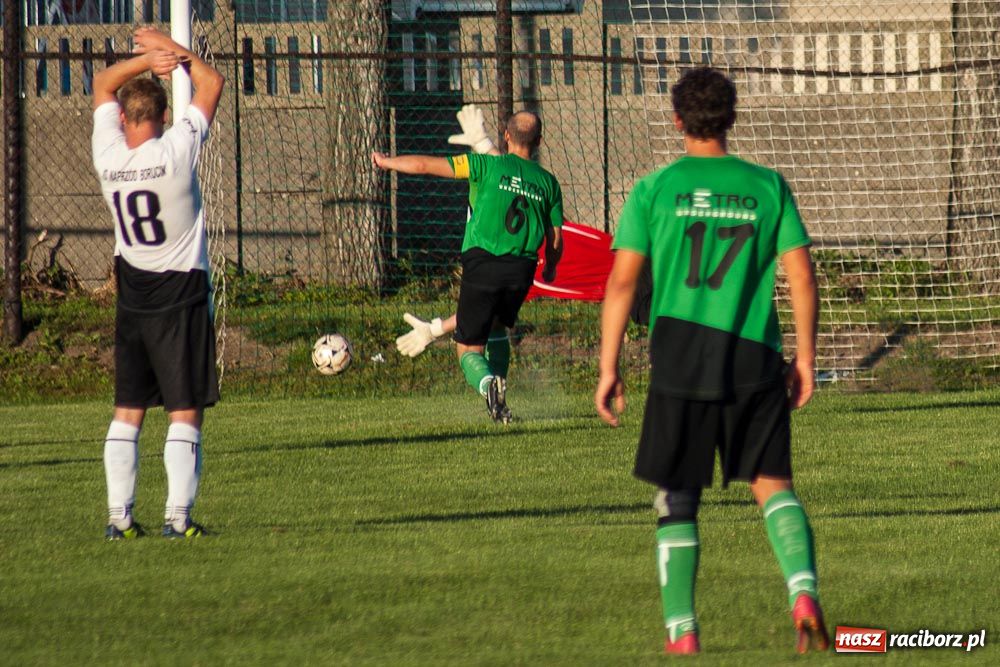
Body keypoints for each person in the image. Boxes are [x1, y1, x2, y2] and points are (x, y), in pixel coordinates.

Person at [595, 67, 828, 654]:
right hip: (753, 355)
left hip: (680, 358)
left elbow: (622, 284)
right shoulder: (768, 185)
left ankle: (683, 632)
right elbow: (800, 274)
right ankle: (802, 593)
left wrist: (609, 366)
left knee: (677, 496)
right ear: (731, 117)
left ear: (678, 120)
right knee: (773, 484)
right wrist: (805, 356)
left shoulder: (653, 189)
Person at [92, 27, 224, 540]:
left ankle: (119, 518)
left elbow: (103, 84)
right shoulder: (175, 152)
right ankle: (177, 520)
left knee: (128, 410)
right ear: (165, 117)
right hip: (180, 292)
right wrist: (177, 52)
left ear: (123, 120)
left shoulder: (109, 157)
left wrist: (144, 58)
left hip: (133, 296)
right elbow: (212, 84)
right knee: (183, 410)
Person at [374, 111, 563, 422]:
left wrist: (386, 162)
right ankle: (500, 403)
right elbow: (556, 239)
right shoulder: (548, 183)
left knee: (468, 348)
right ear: (539, 142)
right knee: (499, 327)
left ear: (505, 136)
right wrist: (551, 269)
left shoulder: (484, 164)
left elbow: (424, 166)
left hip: (484, 262)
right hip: (522, 269)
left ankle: (489, 384)